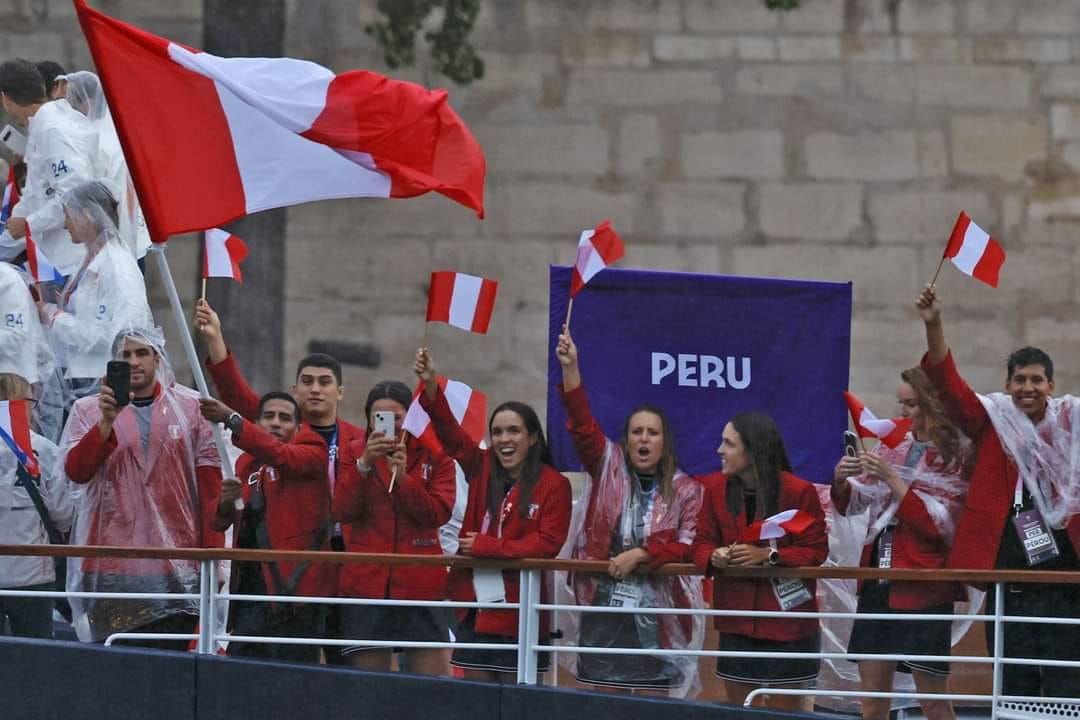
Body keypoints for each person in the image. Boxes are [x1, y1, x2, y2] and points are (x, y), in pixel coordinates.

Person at [917, 284, 1080, 698]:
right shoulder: (993, 422)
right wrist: (933, 323)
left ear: (1052, 384)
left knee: (1068, 689)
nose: (1028, 387)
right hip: (1012, 587)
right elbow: (948, 387)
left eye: (1037, 380)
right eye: (1020, 380)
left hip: (1068, 587)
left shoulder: (1073, 423)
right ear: (1007, 386)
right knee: (1012, 690)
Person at [197, 297, 363, 662]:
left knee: (342, 658)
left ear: (340, 392)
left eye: (324, 382)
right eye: (307, 382)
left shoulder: (359, 440)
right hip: (291, 562)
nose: (315, 389)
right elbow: (238, 398)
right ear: (295, 391)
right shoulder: (276, 434)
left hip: (346, 556)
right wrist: (215, 339)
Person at [555, 326, 704, 696]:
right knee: (603, 701)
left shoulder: (687, 489)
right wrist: (570, 367)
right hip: (605, 604)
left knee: (653, 705)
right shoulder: (608, 465)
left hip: (661, 612)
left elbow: (689, 546)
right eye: (636, 431)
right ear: (626, 439)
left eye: (652, 433)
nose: (643, 439)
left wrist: (642, 554)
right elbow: (581, 426)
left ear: (664, 441)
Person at [60, 327, 224, 648]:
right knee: (115, 666)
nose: (133, 362)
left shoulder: (191, 409)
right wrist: (105, 423)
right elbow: (76, 472)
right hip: (111, 563)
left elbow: (210, 491)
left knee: (169, 664)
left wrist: (213, 556)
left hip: (176, 564)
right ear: (113, 362)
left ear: (158, 358)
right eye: (125, 355)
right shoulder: (88, 410)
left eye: (141, 353)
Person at [414, 347, 571, 682]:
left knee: (519, 704)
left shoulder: (554, 484)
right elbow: (450, 434)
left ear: (531, 438)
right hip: (475, 606)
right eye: (497, 432)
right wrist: (430, 387)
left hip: (521, 611)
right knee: (475, 703)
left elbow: (547, 544)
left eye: (513, 431)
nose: (503, 439)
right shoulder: (481, 466)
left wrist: (487, 547)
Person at [832, 368, 970, 720]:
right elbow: (854, 506)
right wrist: (842, 480)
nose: (904, 411)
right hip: (879, 574)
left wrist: (892, 479)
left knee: (933, 700)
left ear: (932, 404)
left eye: (912, 403)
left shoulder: (953, 455)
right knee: (873, 700)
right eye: (901, 402)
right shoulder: (893, 445)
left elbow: (939, 525)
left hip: (923, 583)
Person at [691, 412, 828, 710]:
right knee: (742, 712)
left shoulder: (798, 491)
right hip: (736, 621)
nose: (719, 450)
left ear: (752, 450)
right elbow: (701, 542)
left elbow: (816, 550)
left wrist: (770, 556)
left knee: (784, 714)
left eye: (728, 443)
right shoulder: (715, 490)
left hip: (788, 624)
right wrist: (714, 556)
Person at [332, 380, 456, 675]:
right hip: (367, 582)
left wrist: (403, 479)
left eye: (396, 417)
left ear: (411, 416)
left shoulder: (435, 454)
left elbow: (437, 513)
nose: (387, 425)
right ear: (368, 418)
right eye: (378, 418)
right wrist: (364, 465)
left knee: (432, 686)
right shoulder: (353, 452)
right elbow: (342, 511)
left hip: (420, 582)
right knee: (370, 686)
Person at [201, 391, 333, 663]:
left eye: (284, 418)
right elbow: (218, 521)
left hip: (294, 597)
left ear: (298, 428)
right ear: (257, 424)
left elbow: (282, 455)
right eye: (268, 417)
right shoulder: (245, 463)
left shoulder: (313, 450)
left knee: (293, 682)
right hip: (249, 595)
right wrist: (225, 502)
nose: (275, 423)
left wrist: (231, 419)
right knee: (243, 677)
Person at [37, 180, 153, 400]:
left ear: (88, 215)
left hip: (100, 382)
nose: (65, 224)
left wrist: (54, 316)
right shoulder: (94, 260)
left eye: (68, 215)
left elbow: (112, 334)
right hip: (81, 376)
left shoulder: (117, 266)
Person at [0, 59, 99, 277]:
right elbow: (33, 196)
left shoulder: (53, 129)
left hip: (72, 263)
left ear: (6, 99)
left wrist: (28, 223)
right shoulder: (42, 124)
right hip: (53, 261)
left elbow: (75, 196)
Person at [0, 372, 72, 638]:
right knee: (33, 658)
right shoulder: (45, 450)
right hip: (32, 575)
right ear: (24, 404)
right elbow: (63, 515)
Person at [61, 72, 150, 261]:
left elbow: (94, 192)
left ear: (87, 102)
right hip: (132, 230)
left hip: (114, 235)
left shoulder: (96, 140)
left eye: (71, 102)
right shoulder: (115, 135)